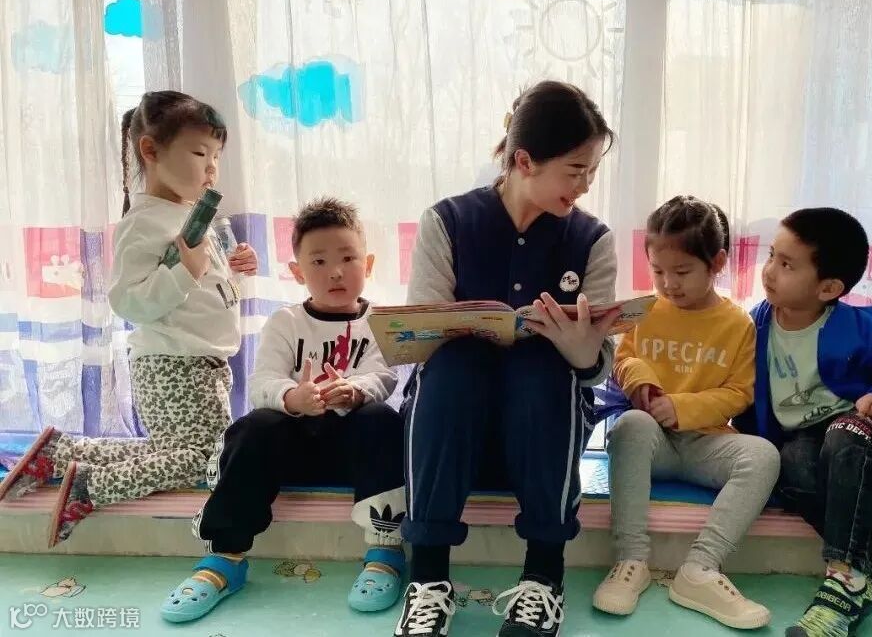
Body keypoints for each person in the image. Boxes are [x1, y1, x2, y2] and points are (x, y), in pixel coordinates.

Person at [395, 81, 620, 637]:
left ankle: (544, 578)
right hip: (454, 425)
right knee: (453, 367)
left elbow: (596, 368)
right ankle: (428, 582)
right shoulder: (447, 221)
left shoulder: (592, 239)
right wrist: (455, 330)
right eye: (575, 170)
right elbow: (418, 347)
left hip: (542, 429)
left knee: (541, 368)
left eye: (592, 171)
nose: (585, 185)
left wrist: (574, 342)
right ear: (524, 161)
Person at [0, 91, 258, 548]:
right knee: (203, 458)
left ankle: (60, 453)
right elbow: (129, 301)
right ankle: (89, 485)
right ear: (151, 151)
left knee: (174, 453)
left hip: (202, 362)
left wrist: (235, 269)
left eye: (216, 156)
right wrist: (185, 271)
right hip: (173, 363)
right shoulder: (144, 221)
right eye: (200, 153)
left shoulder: (193, 215)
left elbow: (205, 289)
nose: (211, 167)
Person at [160, 197, 407, 622]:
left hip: (356, 450)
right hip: (293, 447)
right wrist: (294, 397)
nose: (335, 272)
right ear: (297, 272)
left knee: (383, 419)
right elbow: (262, 383)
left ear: (367, 264)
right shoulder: (285, 322)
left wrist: (353, 391)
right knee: (254, 426)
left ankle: (385, 551)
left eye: (348, 258)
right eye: (319, 261)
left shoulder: (379, 321)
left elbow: (383, 376)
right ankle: (225, 557)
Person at [734, 207, 872, 637]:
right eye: (772, 255)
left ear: (829, 288)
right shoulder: (755, 326)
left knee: (844, 431)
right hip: (813, 446)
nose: (770, 270)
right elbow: (740, 389)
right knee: (788, 460)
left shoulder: (863, 324)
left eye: (787, 264)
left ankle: (846, 582)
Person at [593, 195, 778, 630]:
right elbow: (623, 358)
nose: (668, 284)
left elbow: (739, 393)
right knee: (630, 424)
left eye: (681, 272)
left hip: (704, 444)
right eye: (658, 271)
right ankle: (631, 561)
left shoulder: (737, 324)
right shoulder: (646, 310)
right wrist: (638, 378)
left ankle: (700, 570)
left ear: (717, 263)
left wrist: (682, 407)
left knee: (764, 456)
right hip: (651, 443)